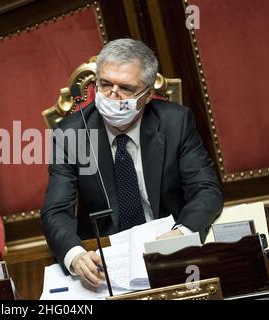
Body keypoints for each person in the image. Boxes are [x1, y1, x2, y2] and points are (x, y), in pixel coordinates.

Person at [40, 38, 223, 288]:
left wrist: (181, 234)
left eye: (125, 88)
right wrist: (75, 255)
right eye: (104, 85)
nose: (112, 96)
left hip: (167, 250)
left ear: (147, 94)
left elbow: (207, 190)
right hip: (106, 260)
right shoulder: (70, 135)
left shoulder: (176, 123)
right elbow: (56, 211)